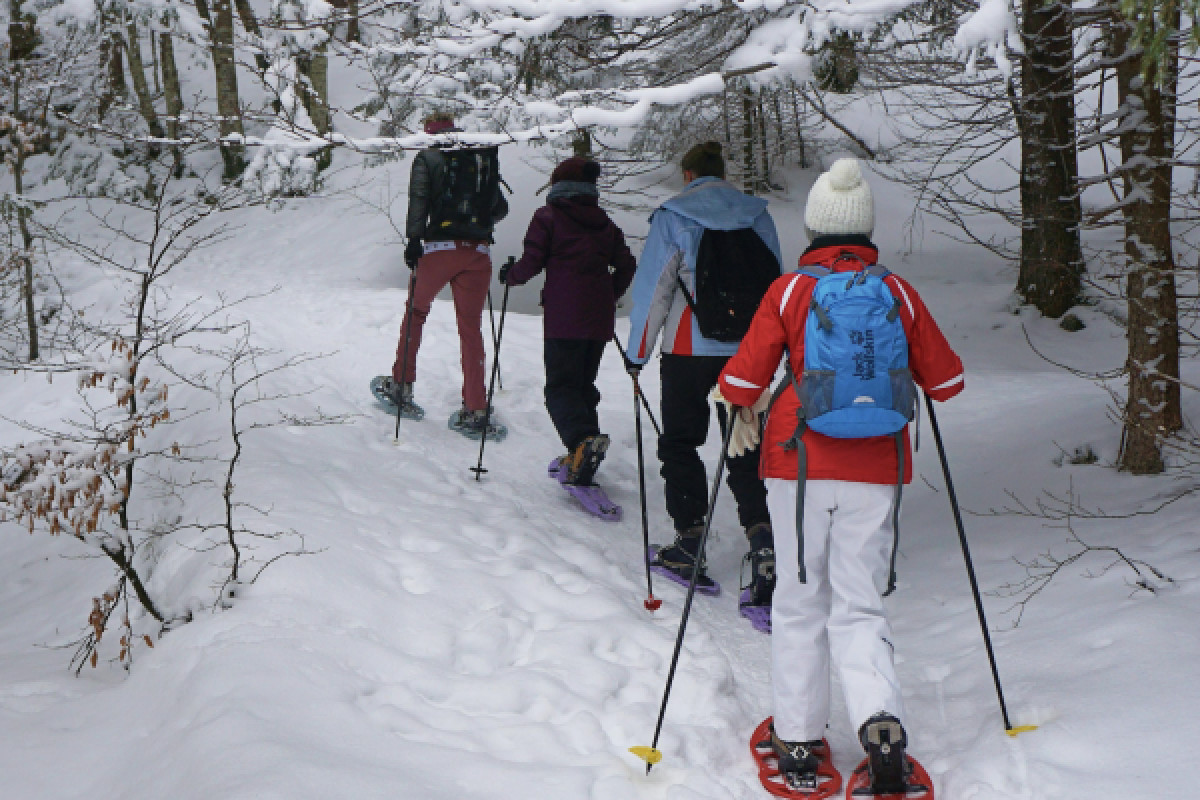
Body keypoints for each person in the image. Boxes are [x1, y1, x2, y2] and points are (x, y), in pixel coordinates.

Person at [715, 158, 965, 788]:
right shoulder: (898, 291)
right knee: (860, 604)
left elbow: (742, 378)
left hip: (795, 466)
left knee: (800, 603)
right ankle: (881, 725)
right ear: (866, 228)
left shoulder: (792, 290)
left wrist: (745, 397)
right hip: (877, 468)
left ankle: (798, 740)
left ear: (815, 225)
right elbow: (949, 381)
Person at [624, 141, 781, 605]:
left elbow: (655, 289)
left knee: (680, 442)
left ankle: (689, 543)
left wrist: (638, 353)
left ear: (688, 175)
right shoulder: (757, 215)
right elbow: (777, 286)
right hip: (747, 355)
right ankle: (764, 545)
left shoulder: (674, 215)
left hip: (687, 350)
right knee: (746, 444)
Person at [500, 156, 637, 484]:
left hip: (565, 315)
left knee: (561, 386)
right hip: (598, 317)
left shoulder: (548, 216)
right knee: (583, 385)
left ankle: (581, 443)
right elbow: (627, 264)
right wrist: (610, 294)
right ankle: (585, 450)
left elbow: (532, 261)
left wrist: (511, 276)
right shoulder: (604, 222)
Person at [375, 112, 509, 439]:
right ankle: (476, 408)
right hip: (478, 253)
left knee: (416, 314)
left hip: (438, 250)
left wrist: (413, 240)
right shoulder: (479, 157)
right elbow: (500, 209)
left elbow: (418, 200)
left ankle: (401, 387)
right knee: (470, 329)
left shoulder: (429, 157)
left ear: (429, 133)